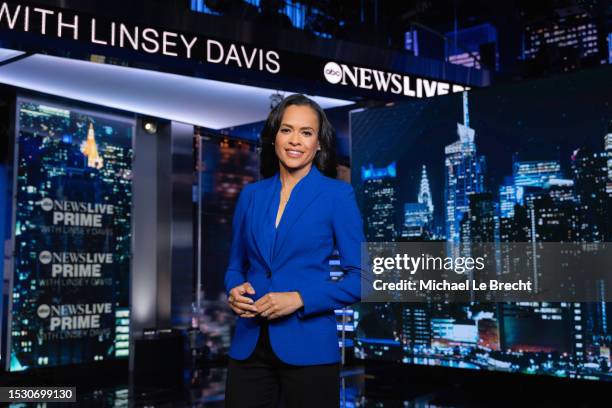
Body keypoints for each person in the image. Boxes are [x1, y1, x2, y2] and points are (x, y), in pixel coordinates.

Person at [223, 93, 366, 408]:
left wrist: (300, 298)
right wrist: (234, 289)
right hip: (249, 346)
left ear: (318, 144)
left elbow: (361, 278)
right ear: (274, 138)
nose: (295, 141)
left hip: (310, 347)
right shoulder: (251, 196)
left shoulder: (337, 196)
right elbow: (235, 266)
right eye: (287, 130)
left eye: (306, 132)